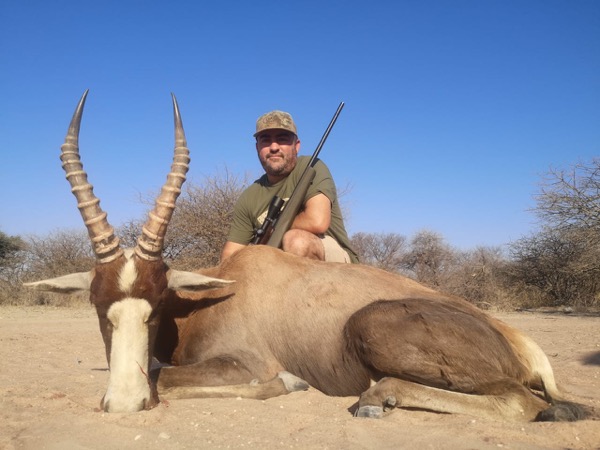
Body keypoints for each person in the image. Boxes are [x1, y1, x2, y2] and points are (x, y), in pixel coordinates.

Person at [221, 110, 358, 263]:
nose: (274, 147)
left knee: (297, 242)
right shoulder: (249, 196)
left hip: (334, 264)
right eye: (265, 140)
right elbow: (229, 254)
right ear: (257, 148)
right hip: (277, 264)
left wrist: (272, 228)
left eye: (282, 139)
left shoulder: (312, 166)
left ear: (296, 146)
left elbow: (317, 221)